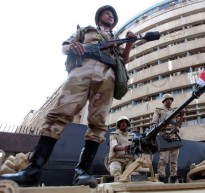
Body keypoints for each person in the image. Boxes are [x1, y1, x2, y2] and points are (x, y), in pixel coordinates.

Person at [0, 5, 137, 188]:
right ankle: (32, 171)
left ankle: (82, 172)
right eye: (106, 13)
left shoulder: (115, 39)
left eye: (113, 15)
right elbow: (65, 46)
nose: (110, 16)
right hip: (82, 70)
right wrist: (73, 47)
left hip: (107, 77)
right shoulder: (85, 30)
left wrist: (129, 44)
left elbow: (123, 61)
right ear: (99, 18)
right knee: (58, 114)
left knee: (98, 124)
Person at [151, 93, 184, 183]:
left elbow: (179, 125)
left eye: (171, 99)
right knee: (163, 160)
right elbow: (154, 123)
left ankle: (173, 178)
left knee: (174, 161)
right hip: (164, 137)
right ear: (164, 101)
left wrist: (181, 115)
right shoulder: (159, 110)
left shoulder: (174, 111)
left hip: (174, 137)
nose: (169, 101)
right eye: (167, 99)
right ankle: (161, 179)